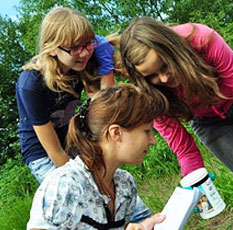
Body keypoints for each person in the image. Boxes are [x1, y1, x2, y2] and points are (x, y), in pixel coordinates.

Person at [117, 17, 233, 229]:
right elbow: (183, 147)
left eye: (164, 66)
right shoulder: (150, 94)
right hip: (209, 122)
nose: (164, 78)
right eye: (152, 76)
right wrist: (195, 182)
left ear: (174, 50)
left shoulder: (203, 40)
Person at [16, 6, 151, 223]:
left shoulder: (82, 60)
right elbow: (56, 154)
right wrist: (92, 182)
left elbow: (103, 109)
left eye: (88, 44)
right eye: (75, 48)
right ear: (52, 49)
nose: (85, 52)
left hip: (73, 141)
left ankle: (143, 220)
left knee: (123, 197)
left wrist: (105, 63)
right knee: (83, 204)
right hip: (44, 154)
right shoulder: (31, 85)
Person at [27, 84, 167, 230]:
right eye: (147, 131)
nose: (153, 141)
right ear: (116, 133)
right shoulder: (65, 186)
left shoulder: (125, 185)